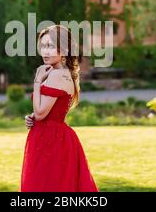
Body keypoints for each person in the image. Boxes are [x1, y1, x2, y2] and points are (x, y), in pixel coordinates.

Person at [20, 24, 99, 192]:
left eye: (50, 46)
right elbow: (46, 111)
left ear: (64, 49)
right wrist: (33, 116)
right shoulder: (60, 72)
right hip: (51, 137)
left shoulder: (56, 75)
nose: (45, 51)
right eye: (42, 46)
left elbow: (42, 114)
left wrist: (37, 80)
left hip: (51, 140)